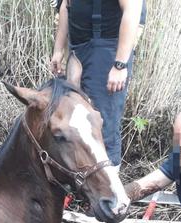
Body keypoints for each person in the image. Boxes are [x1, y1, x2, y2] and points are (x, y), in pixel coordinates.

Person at [50, 0, 146, 167]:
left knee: (103, 125)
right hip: (77, 49)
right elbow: (67, 4)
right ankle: (81, 185)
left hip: (107, 50)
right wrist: (58, 50)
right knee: (76, 122)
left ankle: (110, 187)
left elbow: (133, 8)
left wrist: (120, 64)